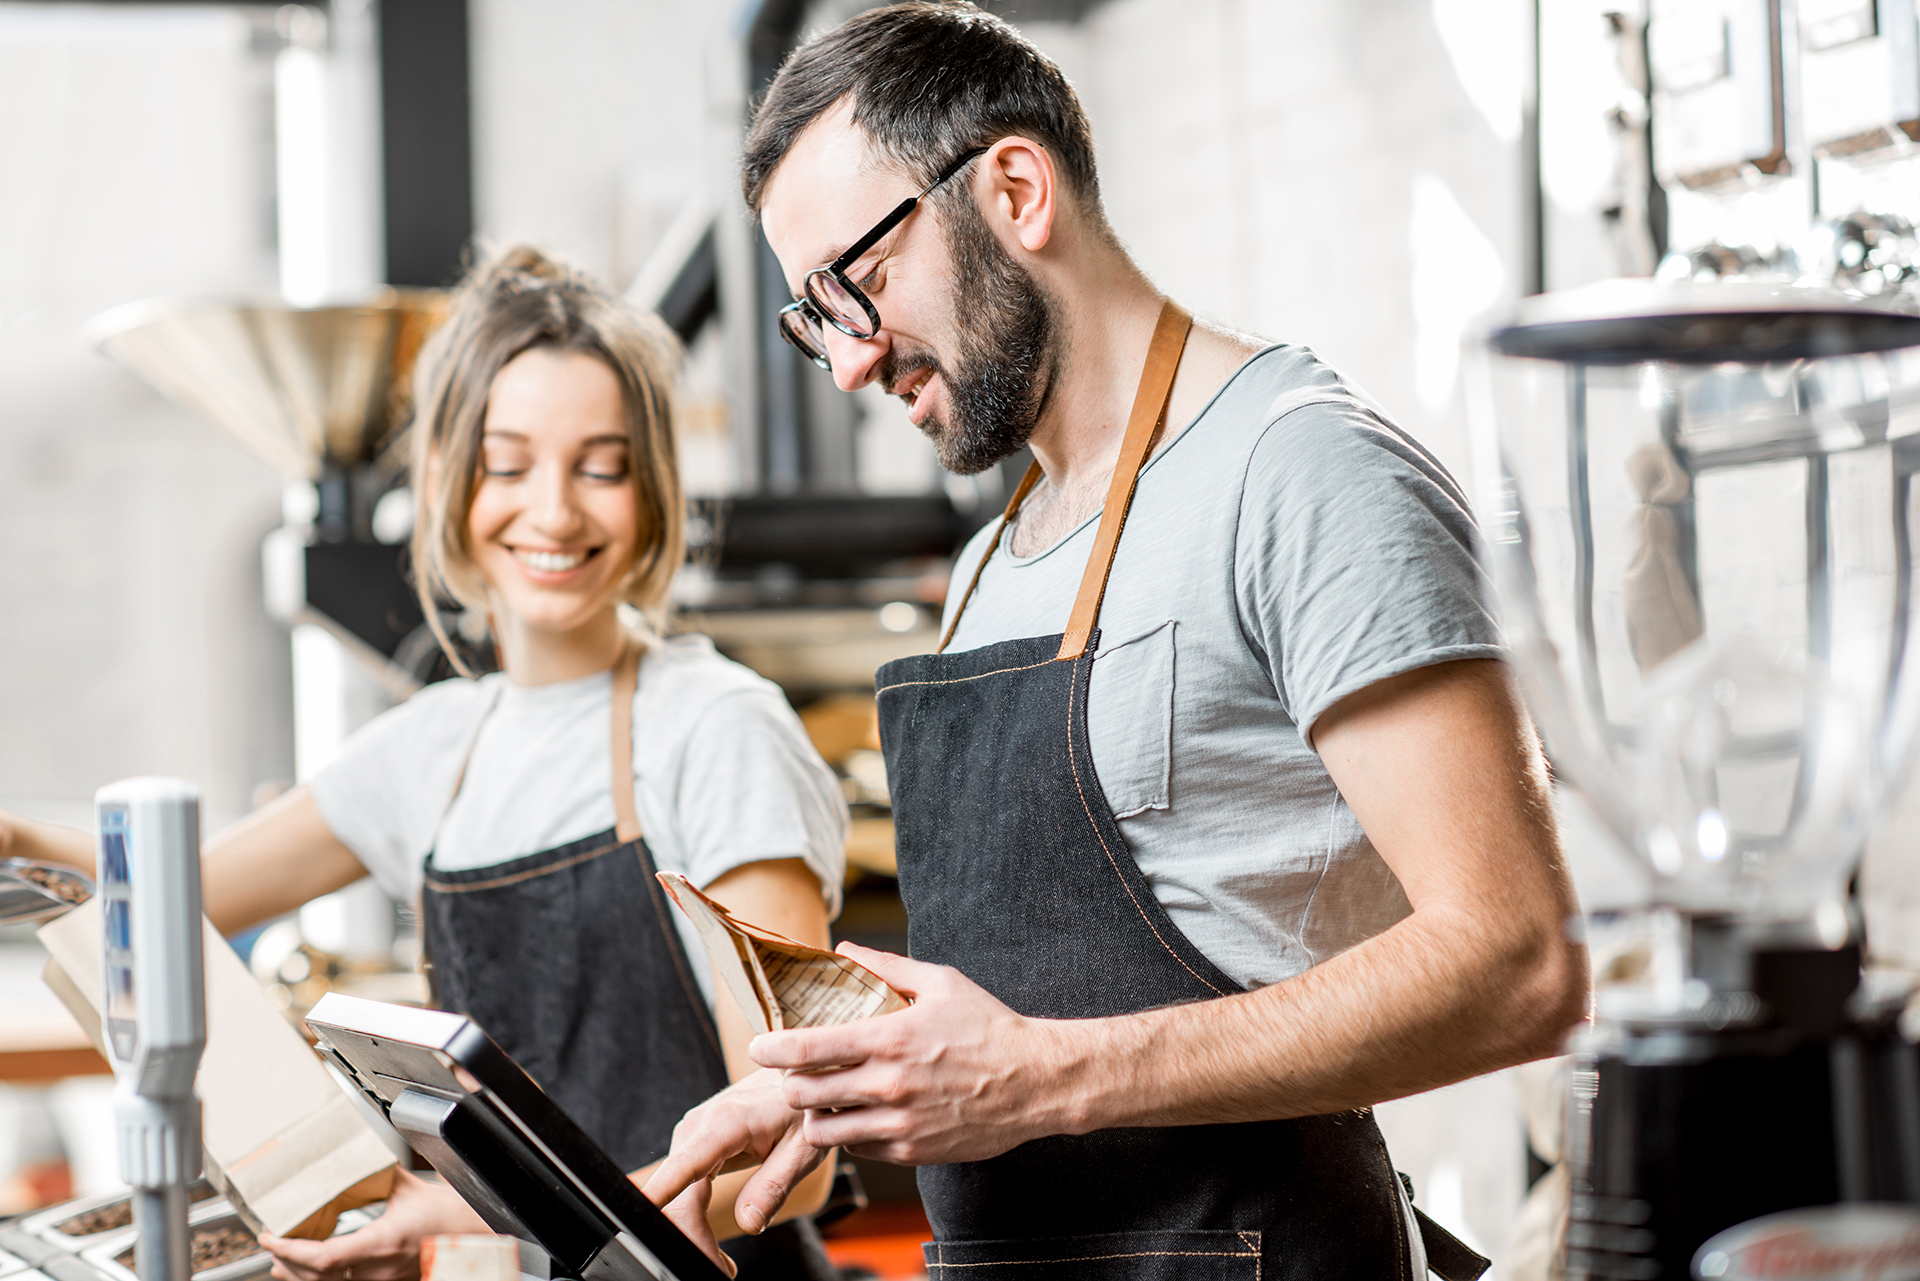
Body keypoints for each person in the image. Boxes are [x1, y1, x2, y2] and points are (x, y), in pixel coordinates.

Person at [642, 6, 1590, 1279]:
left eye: (857, 283)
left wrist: (1045, 1078)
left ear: (1016, 192)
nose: (852, 364)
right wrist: (849, 1085)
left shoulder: (1302, 472)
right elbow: (1013, 1014)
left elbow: (1521, 961)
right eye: (814, 317)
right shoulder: (988, 570)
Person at [2, 247, 845, 1281]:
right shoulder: (435, 747)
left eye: (600, 466)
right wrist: (16, 836)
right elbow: (176, 892)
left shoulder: (715, 729)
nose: (554, 512)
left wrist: (482, 1226)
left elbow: (794, 1160)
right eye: (508, 464)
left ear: (654, 491)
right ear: (447, 481)